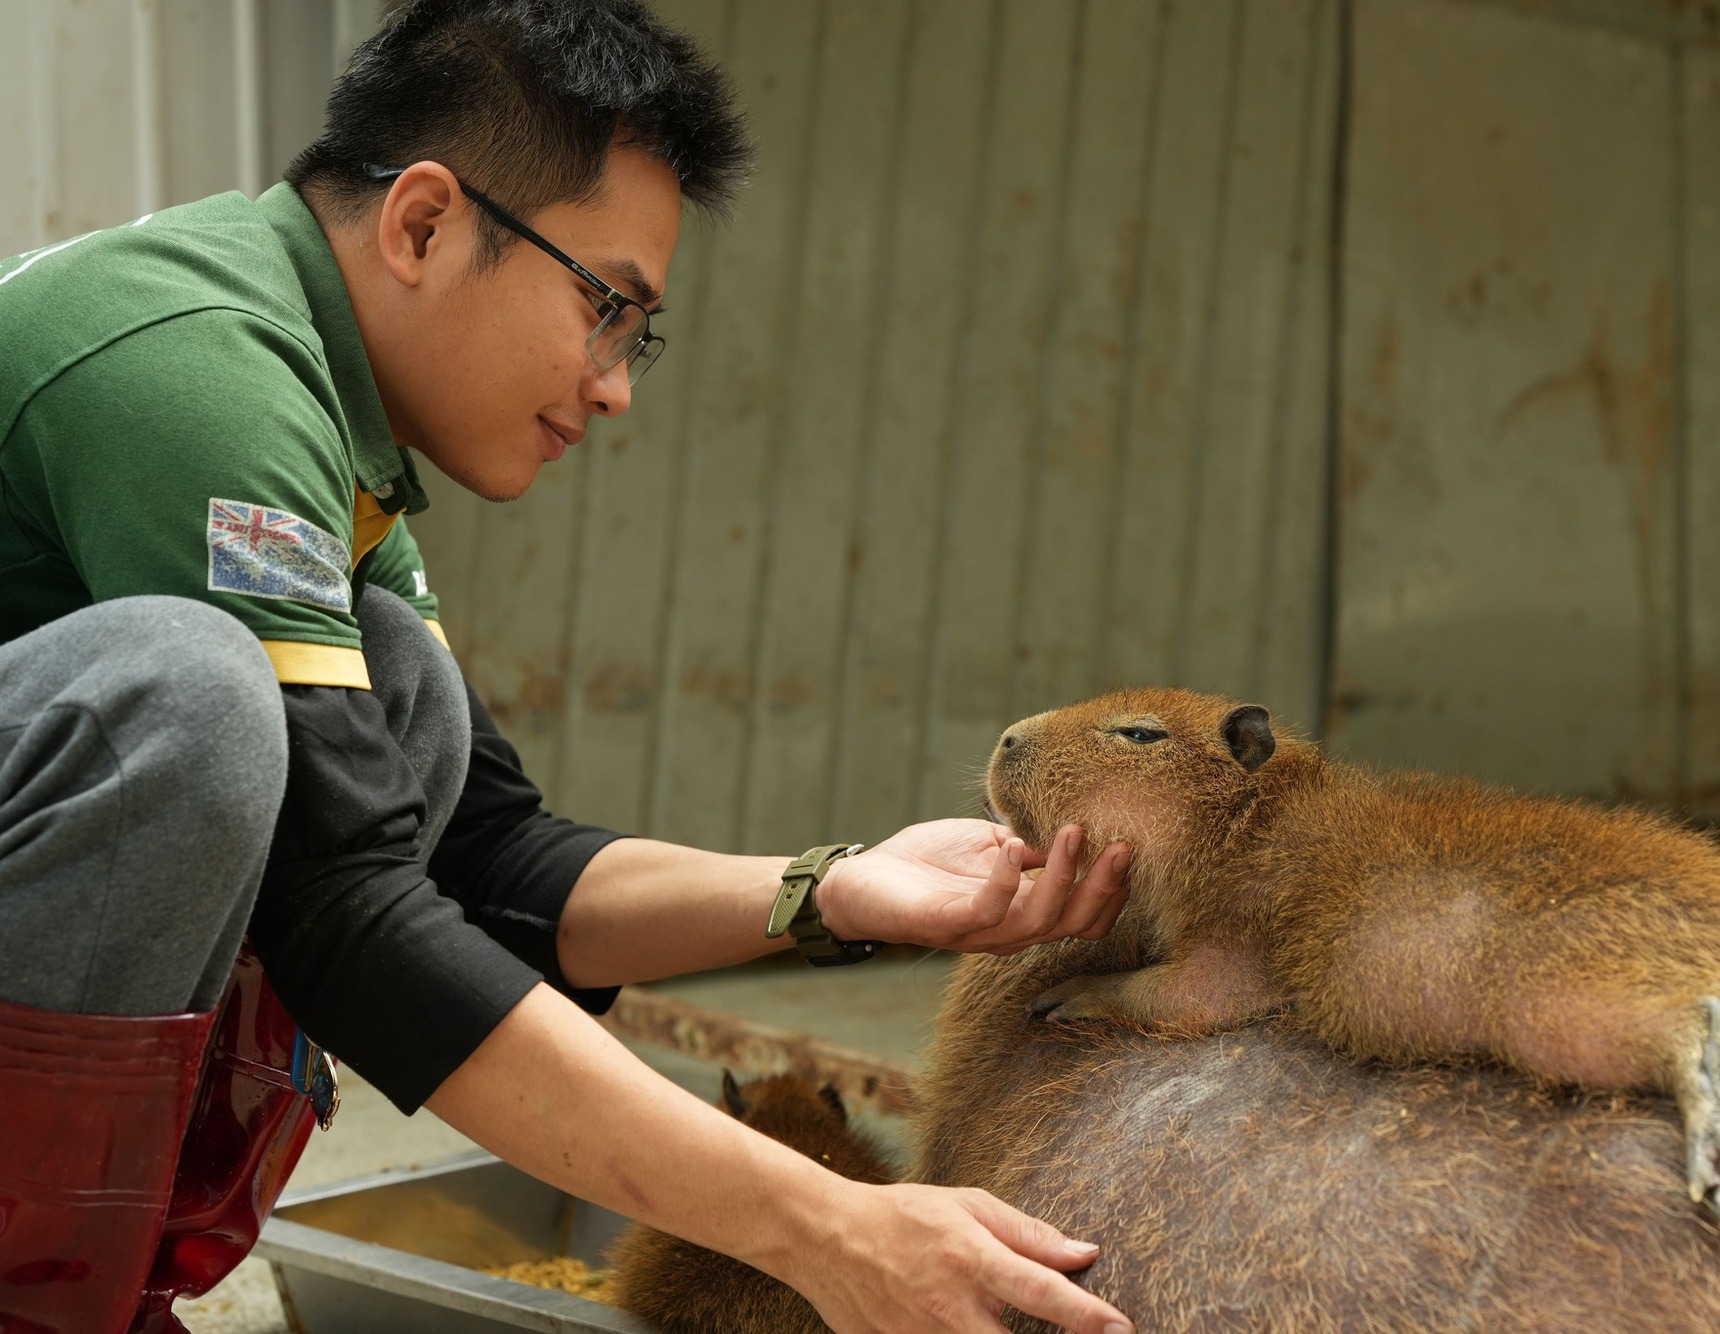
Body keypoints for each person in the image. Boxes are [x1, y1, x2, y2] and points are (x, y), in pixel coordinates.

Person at [0, 2, 1135, 1330]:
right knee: (190, 698)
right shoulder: (199, 370)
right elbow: (348, 910)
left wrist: (831, 891)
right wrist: (825, 1222)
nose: (615, 387)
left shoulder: (325, 425)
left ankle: (114, 1285)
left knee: (396, 699)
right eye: (604, 306)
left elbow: (489, 854)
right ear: (423, 223)